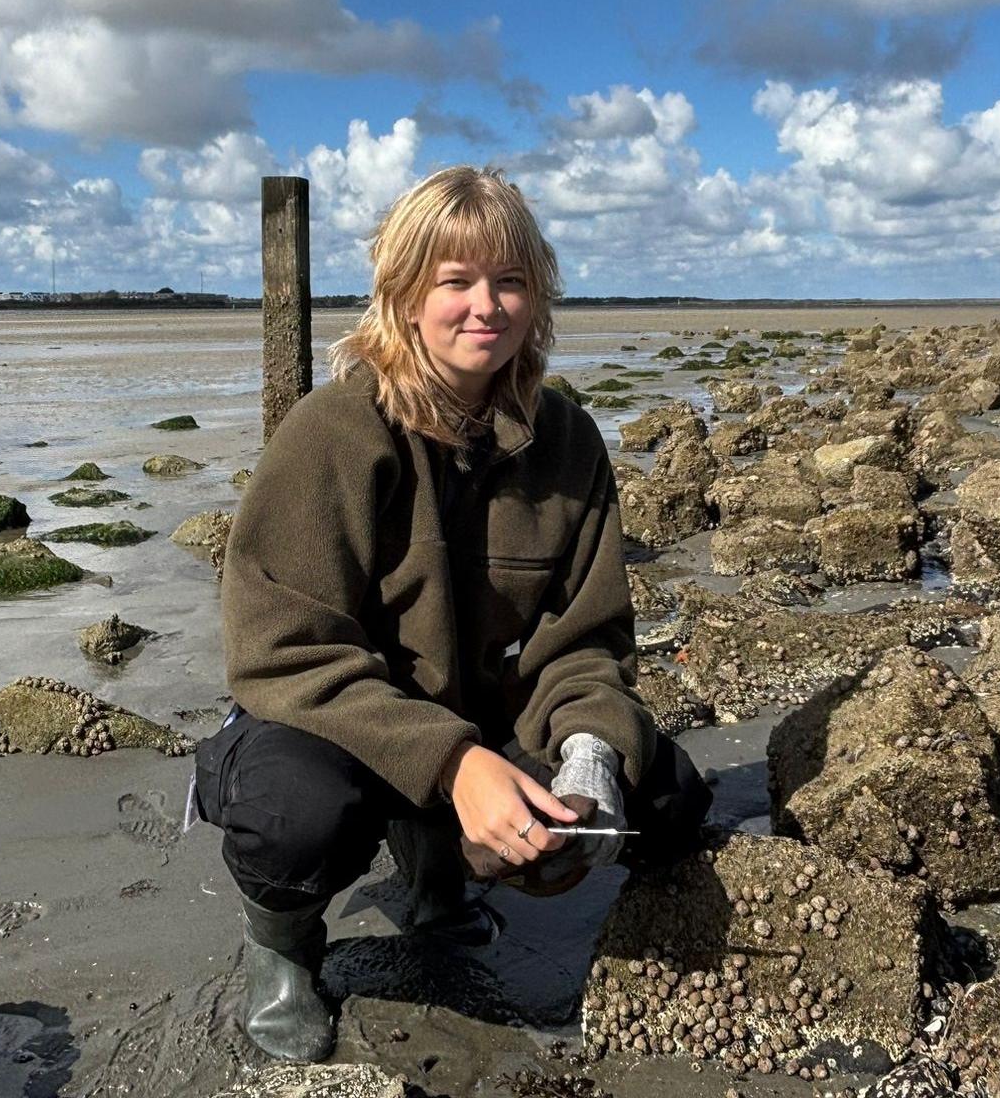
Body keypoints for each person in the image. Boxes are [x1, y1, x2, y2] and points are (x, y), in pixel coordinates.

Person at [192, 165, 711, 1063]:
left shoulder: (568, 441)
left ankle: (442, 867)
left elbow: (583, 644)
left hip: (481, 709)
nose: (487, 307)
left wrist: (588, 759)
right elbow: (280, 653)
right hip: (333, 726)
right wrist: (454, 764)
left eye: (510, 281)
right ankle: (279, 950)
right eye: (455, 283)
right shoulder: (333, 432)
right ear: (402, 296)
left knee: (665, 800)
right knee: (294, 815)